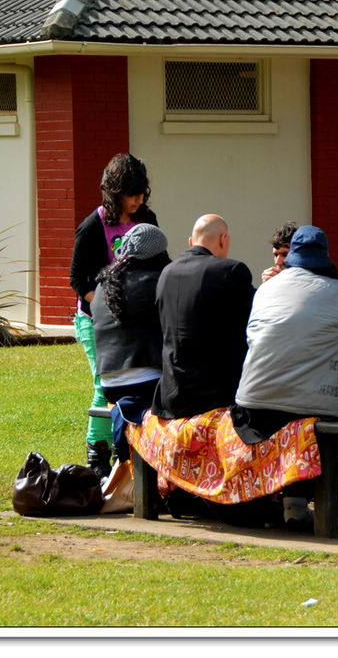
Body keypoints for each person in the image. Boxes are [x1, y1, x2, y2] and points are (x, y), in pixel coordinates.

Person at [231, 225, 338, 526]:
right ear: (326, 258)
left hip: (255, 405)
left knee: (294, 414)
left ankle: (294, 506)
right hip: (317, 406)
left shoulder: (264, 290)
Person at [69, 153, 158, 477]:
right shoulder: (91, 228)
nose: (138, 200)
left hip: (136, 325)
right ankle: (97, 461)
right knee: (102, 384)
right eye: (131, 194)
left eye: (141, 193)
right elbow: (78, 280)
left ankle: (137, 456)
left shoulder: (147, 219)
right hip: (95, 321)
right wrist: (106, 308)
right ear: (114, 193)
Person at [154, 214, 255, 419]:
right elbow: (254, 323)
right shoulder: (231, 271)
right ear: (223, 239)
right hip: (215, 394)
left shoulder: (166, 273)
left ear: (191, 242)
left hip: (171, 394)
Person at [91, 223, 172, 464]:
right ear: (160, 254)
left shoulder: (102, 285)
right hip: (147, 383)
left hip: (109, 384)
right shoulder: (158, 282)